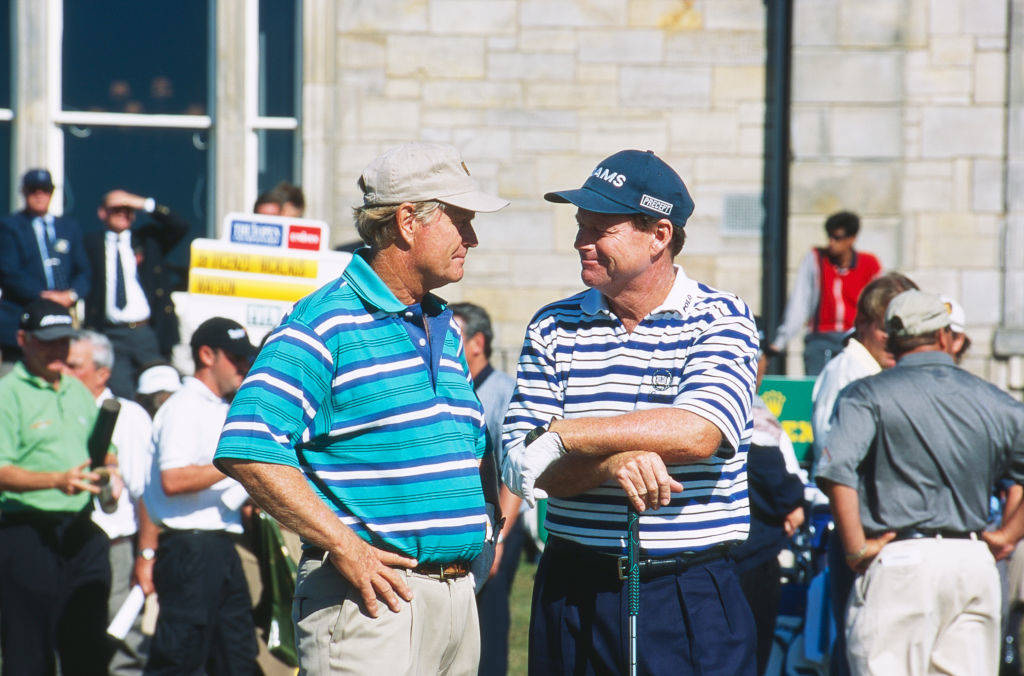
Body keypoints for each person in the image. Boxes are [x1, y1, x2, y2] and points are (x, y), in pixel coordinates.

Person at [213, 141, 509, 675]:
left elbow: (466, 450)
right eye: (461, 221)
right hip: (369, 604)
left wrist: (484, 535)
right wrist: (347, 548)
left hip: (454, 601)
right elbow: (248, 447)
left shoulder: (447, 328)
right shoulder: (326, 321)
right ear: (408, 222)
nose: (473, 238)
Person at [502, 149, 759, 674]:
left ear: (659, 235)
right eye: (580, 225)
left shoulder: (719, 316)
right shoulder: (552, 325)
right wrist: (611, 464)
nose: (581, 241)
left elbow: (699, 431)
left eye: (601, 229)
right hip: (572, 584)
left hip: (688, 590)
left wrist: (565, 435)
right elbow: (520, 461)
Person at [815, 290, 1024, 675]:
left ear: (892, 341)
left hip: (901, 560)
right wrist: (1009, 534)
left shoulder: (866, 395)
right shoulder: (994, 400)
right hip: (972, 560)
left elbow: (837, 472)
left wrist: (856, 548)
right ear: (944, 337)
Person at [807, 271, 917, 676]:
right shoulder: (849, 373)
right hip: (860, 531)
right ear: (870, 323)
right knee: (858, 648)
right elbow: (838, 460)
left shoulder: (869, 370)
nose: (900, 341)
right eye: (893, 330)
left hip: (877, 529)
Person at [0, 299, 115, 674]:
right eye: (47, 341)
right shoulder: (8, 393)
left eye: (63, 341)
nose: (57, 350)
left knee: (87, 649)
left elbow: (105, 454)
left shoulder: (77, 390)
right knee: (28, 651)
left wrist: (110, 470)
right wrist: (55, 480)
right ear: (23, 340)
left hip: (80, 530)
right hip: (27, 529)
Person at [142, 317, 261, 675]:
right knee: (179, 657)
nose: (244, 366)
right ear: (206, 355)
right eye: (236, 357)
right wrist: (237, 466)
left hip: (217, 545)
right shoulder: (183, 406)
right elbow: (173, 479)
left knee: (238, 655)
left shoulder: (220, 407)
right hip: (189, 548)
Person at [67, 329, 159, 675]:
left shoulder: (129, 416)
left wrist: (145, 556)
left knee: (122, 643)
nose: (63, 370)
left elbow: (145, 492)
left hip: (113, 546)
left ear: (102, 373)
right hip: (63, 541)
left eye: (74, 365)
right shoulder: (56, 407)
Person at [451, 301, 522, 676]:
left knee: (487, 622)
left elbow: (515, 469)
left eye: (455, 333)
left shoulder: (503, 390)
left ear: (477, 342)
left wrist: (500, 538)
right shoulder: (450, 385)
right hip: (463, 527)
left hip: (498, 528)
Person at [83, 189, 189, 398]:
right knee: (121, 396)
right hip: (110, 332)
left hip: (146, 331)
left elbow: (179, 226)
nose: (123, 213)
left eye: (128, 210)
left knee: (160, 392)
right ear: (102, 213)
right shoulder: (91, 244)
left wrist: (141, 203)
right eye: (116, 209)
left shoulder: (147, 241)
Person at [764, 211, 881, 375]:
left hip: (855, 338)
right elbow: (800, 301)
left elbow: (878, 304)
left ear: (852, 239)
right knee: (817, 388)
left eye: (838, 238)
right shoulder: (816, 259)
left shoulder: (869, 264)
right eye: (830, 237)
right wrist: (780, 342)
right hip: (820, 339)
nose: (831, 243)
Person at [0, 169, 91, 363]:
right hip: (23, 318)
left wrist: (71, 294)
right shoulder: (10, 226)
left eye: (45, 189)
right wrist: (45, 296)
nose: (40, 194)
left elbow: (84, 270)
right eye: (33, 190)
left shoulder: (68, 227)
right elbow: (9, 271)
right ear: (24, 192)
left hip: (61, 321)